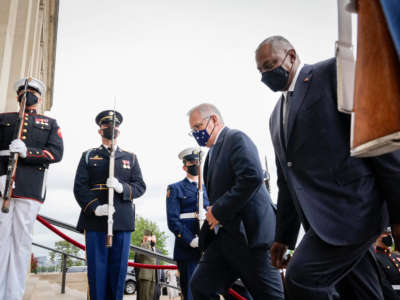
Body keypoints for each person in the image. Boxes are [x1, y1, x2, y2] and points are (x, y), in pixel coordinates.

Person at [255, 35, 400, 299]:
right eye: (261, 70)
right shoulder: (275, 116)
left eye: (270, 63)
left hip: (355, 212)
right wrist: (284, 237)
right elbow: (287, 181)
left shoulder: (332, 73)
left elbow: (376, 140)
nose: (266, 73)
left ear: (291, 55)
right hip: (322, 225)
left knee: (301, 279)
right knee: (362, 292)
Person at [187, 103, 284, 300]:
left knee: (271, 297)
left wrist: (218, 211)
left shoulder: (236, 139)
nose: (197, 134)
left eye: (198, 127)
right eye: (193, 131)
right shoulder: (210, 156)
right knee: (200, 286)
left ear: (213, 120)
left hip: (251, 238)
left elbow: (251, 178)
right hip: (225, 240)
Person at [0, 77, 63, 300]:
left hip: (29, 188)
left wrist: (29, 152)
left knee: (20, 244)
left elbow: (56, 153)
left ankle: (13, 295)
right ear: (18, 95)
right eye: (24, 91)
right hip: (2, 186)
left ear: (40, 97)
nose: (28, 95)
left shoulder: (50, 123)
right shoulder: (4, 119)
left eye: (33, 91)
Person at [73, 110, 146, 300]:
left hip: (121, 220)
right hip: (95, 220)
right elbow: (79, 186)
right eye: (106, 126)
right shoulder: (89, 155)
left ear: (119, 131)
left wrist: (122, 188)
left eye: (114, 127)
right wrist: (95, 207)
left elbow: (140, 186)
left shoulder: (131, 157)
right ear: (100, 130)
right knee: (97, 272)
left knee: (118, 272)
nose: (110, 129)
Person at [166, 147, 209, 300]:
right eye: (191, 162)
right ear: (184, 166)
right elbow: (173, 220)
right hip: (187, 248)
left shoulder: (208, 188)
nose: (195, 164)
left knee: (209, 292)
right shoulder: (175, 188)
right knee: (190, 292)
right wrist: (190, 240)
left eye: (197, 162)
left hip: (208, 247)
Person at [374, 229, 400, 299]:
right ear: (378, 237)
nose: (389, 236)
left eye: (390, 234)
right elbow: (384, 283)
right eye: (386, 234)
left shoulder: (396, 256)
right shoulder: (375, 258)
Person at [135, 229, 157, 300]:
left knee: (150, 297)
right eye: (152, 237)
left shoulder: (152, 247)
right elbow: (143, 253)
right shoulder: (144, 245)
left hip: (152, 277)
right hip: (145, 276)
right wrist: (148, 240)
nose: (154, 239)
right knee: (144, 297)